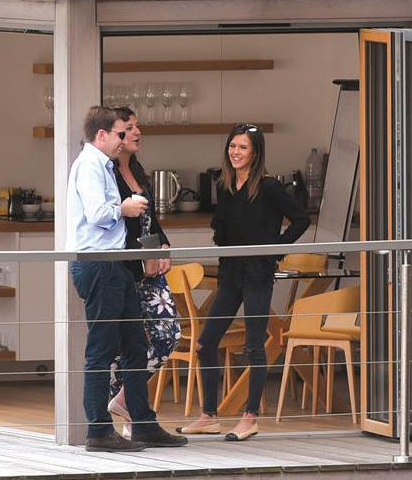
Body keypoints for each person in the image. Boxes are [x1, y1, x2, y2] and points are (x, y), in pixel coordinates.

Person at [178, 124, 310, 442]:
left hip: (257, 274)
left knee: (254, 344)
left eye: (243, 148)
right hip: (231, 273)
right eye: (233, 146)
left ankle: (250, 417)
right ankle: (209, 416)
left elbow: (302, 219)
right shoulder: (225, 186)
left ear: (256, 153)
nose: (236, 152)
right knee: (205, 343)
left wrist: (274, 250)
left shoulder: (268, 187)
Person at [66, 106, 187, 453]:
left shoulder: (100, 165)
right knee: (101, 350)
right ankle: (99, 431)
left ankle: (143, 422)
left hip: (116, 263)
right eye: (121, 133)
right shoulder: (90, 165)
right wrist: (125, 208)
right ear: (102, 135)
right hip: (100, 264)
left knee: (134, 345)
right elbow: (98, 215)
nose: (125, 140)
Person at [105, 107, 182, 439]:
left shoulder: (137, 170)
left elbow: (151, 222)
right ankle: (134, 422)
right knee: (124, 345)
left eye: (138, 127)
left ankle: (123, 401)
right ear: (116, 133)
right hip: (127, 268)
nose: (137, 133)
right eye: (130, 128)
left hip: (151, 269)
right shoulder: (107, 173)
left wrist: (164, 246)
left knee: (168, 334)